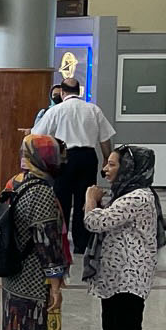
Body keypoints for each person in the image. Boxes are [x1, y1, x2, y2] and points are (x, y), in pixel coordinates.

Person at [82, 145, 163, 330]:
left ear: (129, 168)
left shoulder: (139, 197)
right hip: (114, 275)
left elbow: (96, 222)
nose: (105, 169)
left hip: (131, 277)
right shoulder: (122, 194)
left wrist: (89, 199)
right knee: (113, 329)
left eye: (112, 165)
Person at [0, 135, 71, 330]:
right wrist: (55, 284)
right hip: (31, 273)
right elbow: (47, 241)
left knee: (12, 329)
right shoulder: (41, 191)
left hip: (12, 269)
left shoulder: (16, 182)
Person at [39, 82, 115, 253]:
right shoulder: (93, 109)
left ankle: (61, 240)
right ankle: (82, 243)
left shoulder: (56, 110)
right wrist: (106, 159)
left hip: (65, 158)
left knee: (61, 200)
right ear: (79, 91)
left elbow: (39, 135)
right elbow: (105, 139)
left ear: (63, 92)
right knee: (86, 199)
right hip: (88, 158)